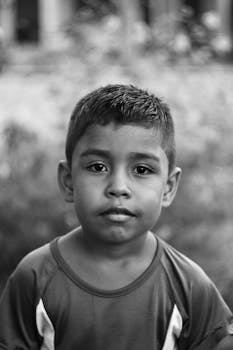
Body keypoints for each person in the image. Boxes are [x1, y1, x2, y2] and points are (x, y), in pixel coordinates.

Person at [0, 84, 232, 350]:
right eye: (98, 167)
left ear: (168, 187)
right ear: (68, 181)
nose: (118, 186)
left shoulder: (189, 285)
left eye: (142, 169)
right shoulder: (34, 277)